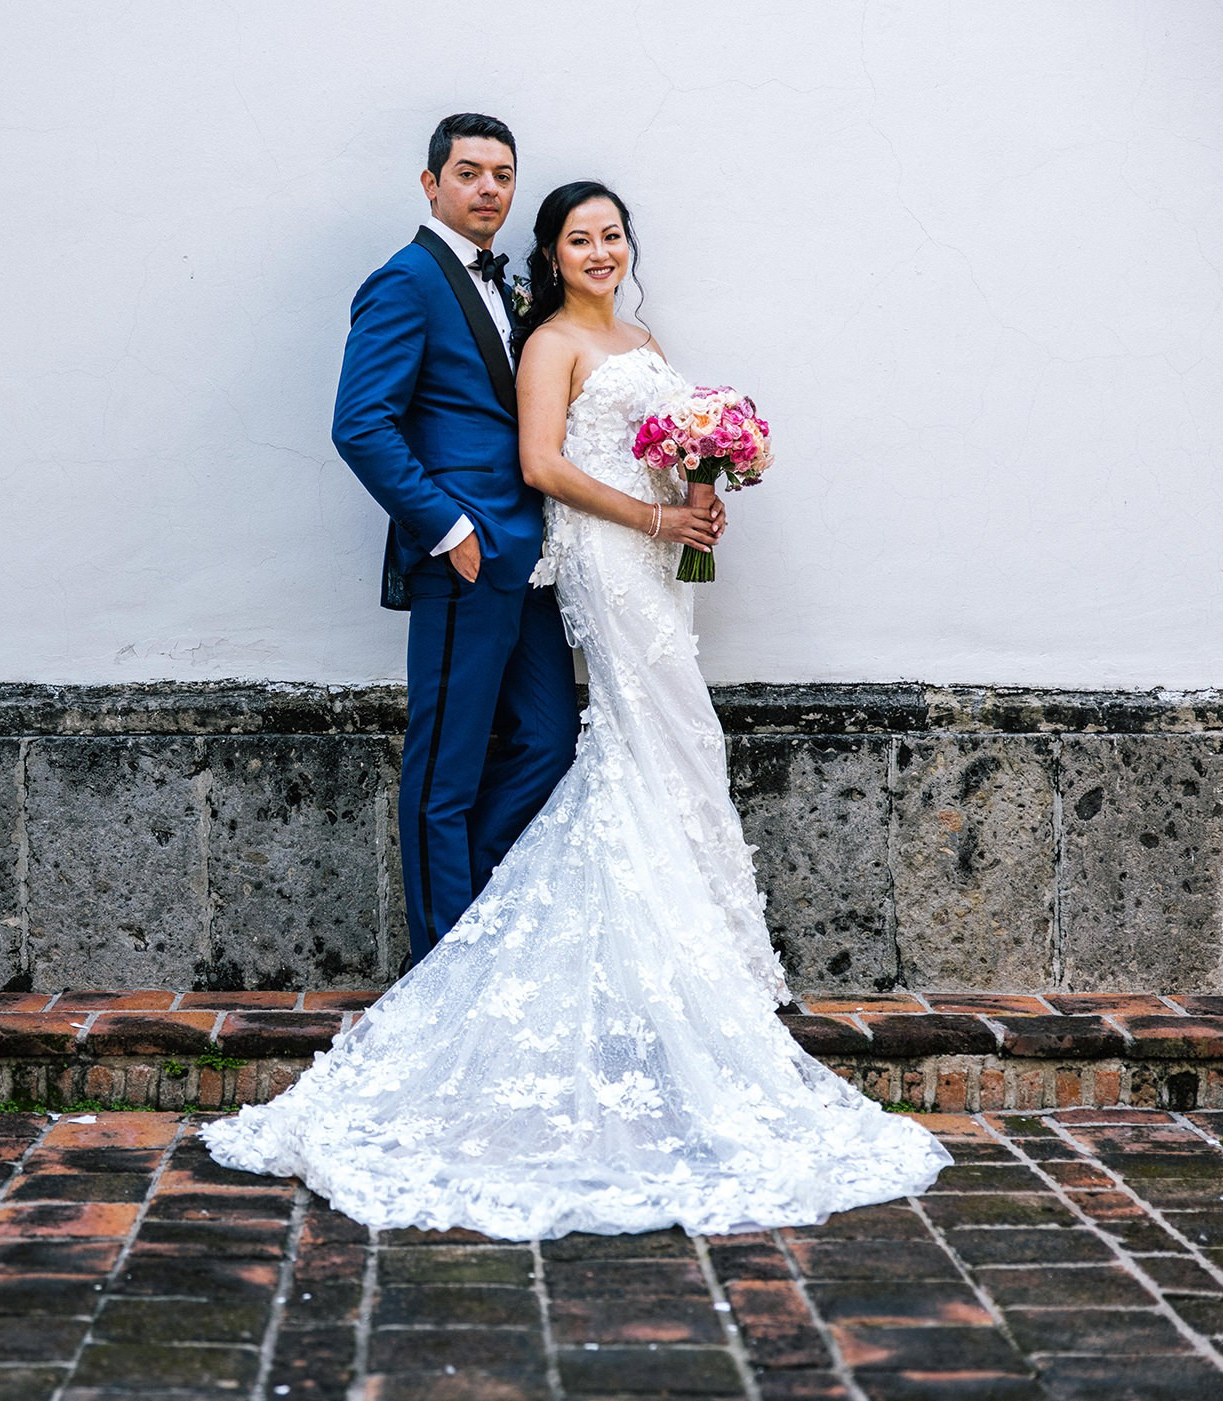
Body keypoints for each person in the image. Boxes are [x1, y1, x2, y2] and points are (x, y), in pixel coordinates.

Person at [203, 176, 950, 1239]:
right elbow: (524, 458)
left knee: (622, 743)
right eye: (578, 237)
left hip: (641, 558)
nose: (598, 250)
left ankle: (643, 949)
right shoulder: (532, 332)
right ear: (548, 252)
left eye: (611, 235)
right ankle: (463, 962)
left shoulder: (636, 331)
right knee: (581, 745)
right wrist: (641, 522)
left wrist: (710, 481)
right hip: (586, 555)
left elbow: (672, 440)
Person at [327, 114, 597, 972]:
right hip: (465, 558)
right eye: (470, 173)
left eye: (503, 175)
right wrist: (447, 530)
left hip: (533, 559)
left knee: (551, 741)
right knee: (444, 772)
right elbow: (360, 425)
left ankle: (472, 901)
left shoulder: (504, 283)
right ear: (431, 183)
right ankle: (442, 971)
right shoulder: (404, 280)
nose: (489, 189)